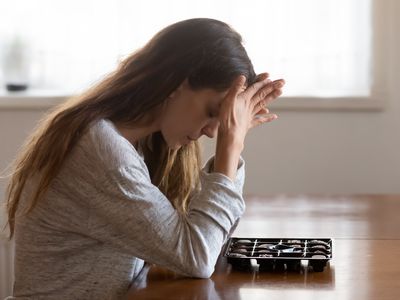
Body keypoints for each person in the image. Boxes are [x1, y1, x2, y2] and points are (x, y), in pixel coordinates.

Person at [4, 18, 284, 299]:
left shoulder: (141, 142)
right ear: (176, 83)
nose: (214, 132)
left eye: (223, 120)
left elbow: (209, 237)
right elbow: (197, 256)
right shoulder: (101, 149)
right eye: (213, 111)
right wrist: (230, 148)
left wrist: (231, 154)